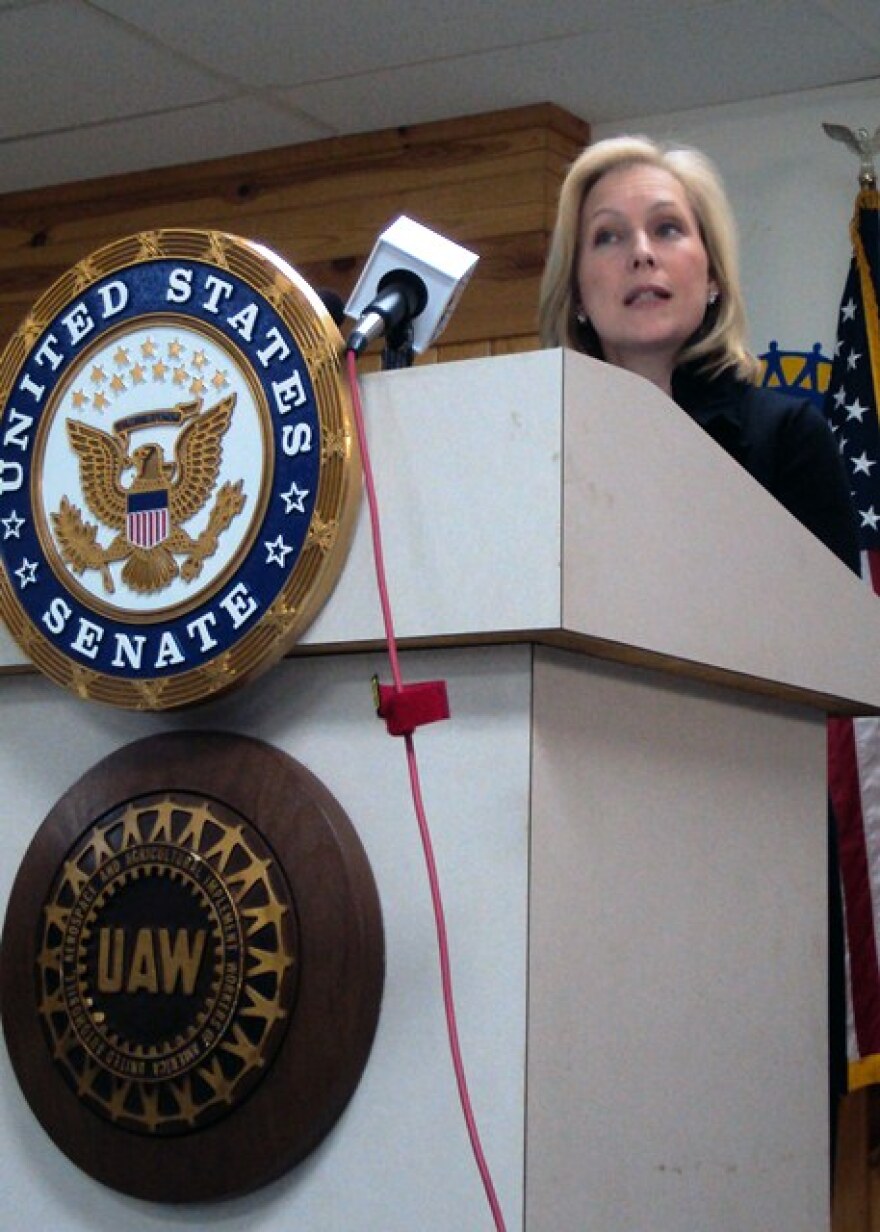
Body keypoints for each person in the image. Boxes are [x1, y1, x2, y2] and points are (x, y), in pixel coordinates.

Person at [538, 134, 859, 1182]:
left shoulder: (786, 436)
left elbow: (832, 656)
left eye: (667, 230)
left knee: (748, 1144)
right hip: (580, 829)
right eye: (608, 237)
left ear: (709, 271)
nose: (640, 254)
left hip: (749, 834)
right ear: (578, 289)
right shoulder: (535, 448)